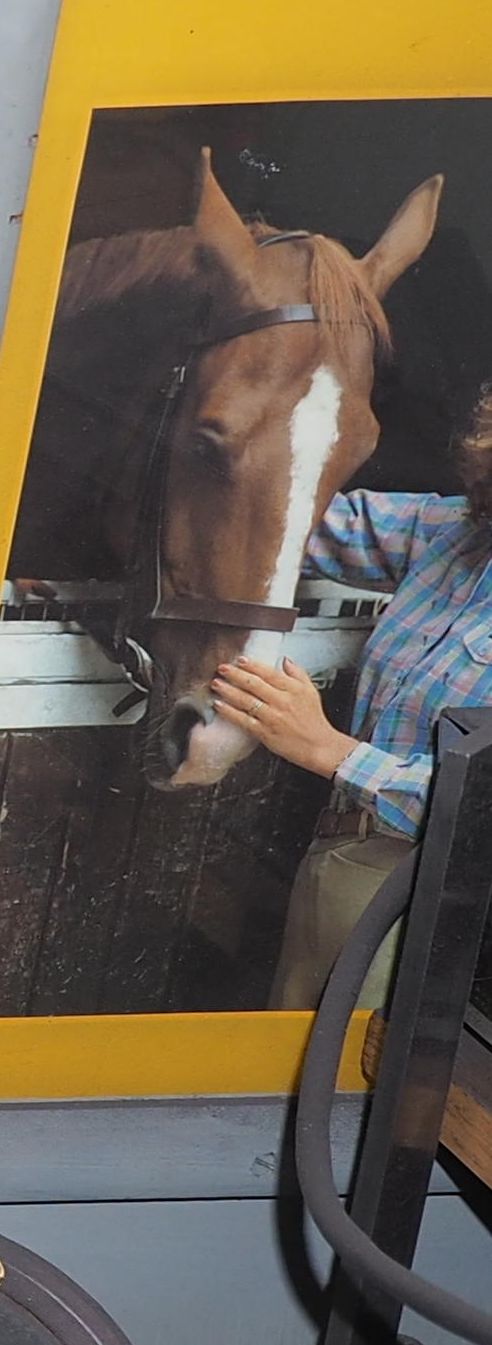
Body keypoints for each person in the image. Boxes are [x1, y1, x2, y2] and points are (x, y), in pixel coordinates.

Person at [210, 386, 492, 1007]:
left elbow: (485, 815)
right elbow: (278, 514)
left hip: (435, 893)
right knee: (291, 1057)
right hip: (339, 858)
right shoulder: (455, 533)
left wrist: (330, 751)